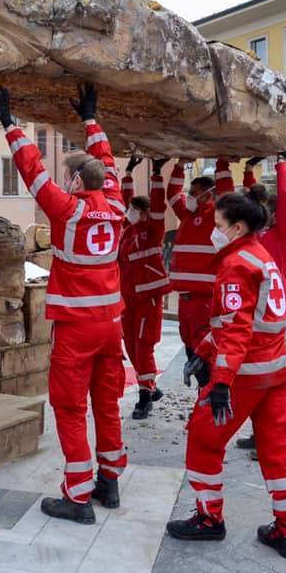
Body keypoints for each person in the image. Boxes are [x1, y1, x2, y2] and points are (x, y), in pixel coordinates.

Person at [0, 83, 127, 524]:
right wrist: (92, 120)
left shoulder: (67, 210)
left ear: (74, 181)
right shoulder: (118, 206)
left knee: (70, 407)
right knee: (106, 403)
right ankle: (110, 480)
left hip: (75, 326)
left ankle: (78, 494)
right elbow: (106, 163)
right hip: (111, 324)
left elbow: (31, 170)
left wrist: (11, 125)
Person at [166, 188, 286, 560]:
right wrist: (204, 352)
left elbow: (238, 331)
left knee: (203, 439)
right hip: (277, 371)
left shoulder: (235, 264)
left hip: (245, 375)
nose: (213, 231)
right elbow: (243, 321)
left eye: (218, 225)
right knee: (277, 452)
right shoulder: (262, 256)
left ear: (238, 227)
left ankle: (210, 519)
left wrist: (220, 381)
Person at [237, 148, 286, 451]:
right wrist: (250, 169)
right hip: (252, 315)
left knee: (273, 379)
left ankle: (277, 438)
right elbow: (249, 203)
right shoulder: (258, 235)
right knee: (254, 376)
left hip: (274, 317)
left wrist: (281, 164)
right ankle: (260, 433)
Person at [166, 156, 236, 361]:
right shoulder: (187, 215)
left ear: (207, 195)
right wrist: (179, 165)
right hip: (185, 298)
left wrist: (222, 163)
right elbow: (172, 195)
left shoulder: (216, 215)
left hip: (205, 299)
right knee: (190, 349)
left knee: (205, 352)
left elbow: (228, 194)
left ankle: (212, 391)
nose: (189, 197)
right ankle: (202, 390)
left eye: (194, 193)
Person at [120, 154, 171, 419]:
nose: (128, 212)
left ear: (144, 213)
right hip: (128, 300)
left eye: (134, 210)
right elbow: (124, 200)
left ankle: (144, 397)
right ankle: (150, 386)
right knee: (131, 346)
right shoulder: (127, 232)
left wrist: (157, 173)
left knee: (143, 346)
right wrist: (128, 172)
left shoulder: (153, 229)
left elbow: (160, 206)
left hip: (148, 299)